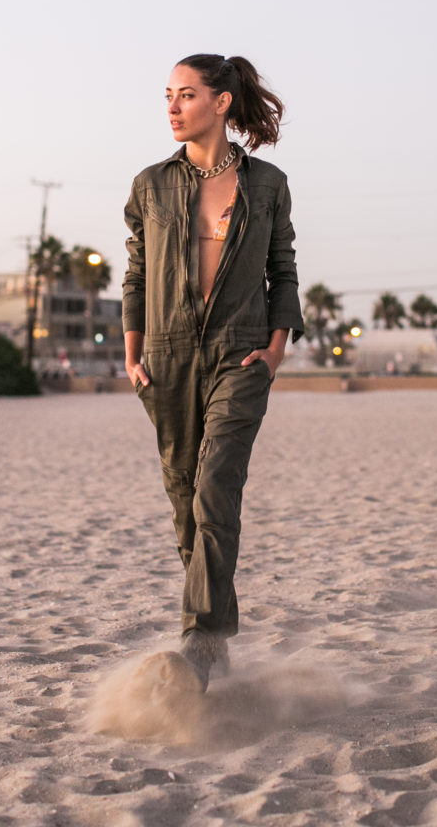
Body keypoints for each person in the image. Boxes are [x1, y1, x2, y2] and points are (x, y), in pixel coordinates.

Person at [122, 53, 303, 690]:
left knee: (216, 486)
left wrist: (277, 348)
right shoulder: (151, 184)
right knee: (183, 502)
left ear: (221, 103)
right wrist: (133, 351)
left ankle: (199, 638)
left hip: (240, 352)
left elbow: (283, 271)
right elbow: (137, 274)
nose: (173, 107)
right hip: (166, 358)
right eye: (168, 95)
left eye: (187, 95)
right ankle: (216, 635)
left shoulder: (268, 183)